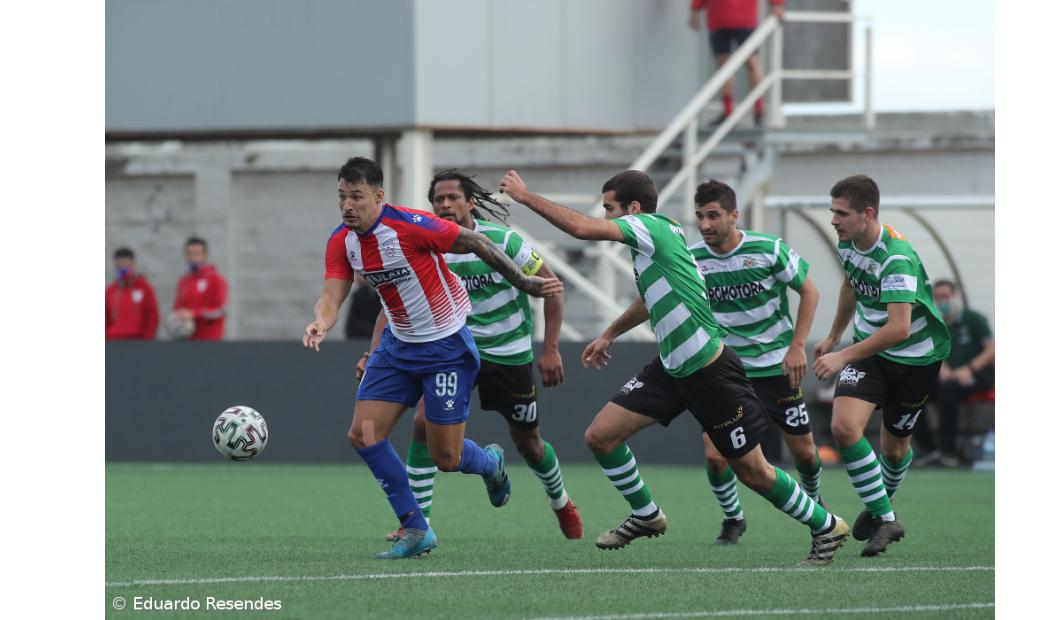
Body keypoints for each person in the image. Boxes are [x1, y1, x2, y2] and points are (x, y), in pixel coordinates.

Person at [500, 168, 848, 566]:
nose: (605, 217)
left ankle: (826, 525)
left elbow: (581, 228)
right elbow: (649, 300)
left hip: (710, 371)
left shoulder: (651, 227)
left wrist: (526, 197)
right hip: (670, 369)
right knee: (600, 437)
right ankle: (647, 514)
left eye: (610, 209)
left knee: (754, 472)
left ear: (633, 209)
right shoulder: (652, 246)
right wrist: (610, 333)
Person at [304, 157, 562, 560]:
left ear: (378, 196)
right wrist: (321, 321)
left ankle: (490, 461)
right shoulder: (343, 241)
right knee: (364, 434)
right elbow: (332, 294)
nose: (347, 205)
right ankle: (416, 527)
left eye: (356, 196)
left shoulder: (409, 224)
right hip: (397, 348)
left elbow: (476, 242)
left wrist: (524, 281)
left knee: (447, 458)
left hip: (445, 348)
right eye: (341, 196)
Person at [365, 169, 583, 542]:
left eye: (453, 198)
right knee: (422, 423)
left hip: (508, 355)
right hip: (451, 351)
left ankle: (561, 502)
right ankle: (419, 523)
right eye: (439, 199)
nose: (446, 205)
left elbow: (551, 287)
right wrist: (372, 353)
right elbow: (393, 303)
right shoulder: (423, 244)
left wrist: (550, 348)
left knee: (529, 443)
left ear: (470, 202)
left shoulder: (502, 240)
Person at [812, 174, 951, 558]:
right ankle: (886, 516)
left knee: (893, 450)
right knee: (844, 427)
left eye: (842, 213)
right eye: (832, 212)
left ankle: (879, 505)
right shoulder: (847, 242)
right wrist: (835, 335)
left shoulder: (896, 257)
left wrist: (842, 357)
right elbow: (850, 285)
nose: (834, 221)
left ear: (867, 213)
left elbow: (900, 328)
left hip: (916, 359)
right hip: (870, 353)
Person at [689, 179, 825, 545]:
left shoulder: (768, 249)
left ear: (734, 215)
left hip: (776, 368)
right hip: (726, 371)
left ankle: (815, 504)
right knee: (715, 456)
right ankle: (734, 519)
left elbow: (810, 291)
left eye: (713, 216)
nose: (705, 225)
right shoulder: (691, 258)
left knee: (806, 455)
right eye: (700, 216)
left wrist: (797, 346)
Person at [913, 280, 995, 466]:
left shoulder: (974, 319)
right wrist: (943, 369)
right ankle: (927, 449)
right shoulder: (934, 323)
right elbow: (931, 350)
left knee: (948, 390)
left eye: (946, 296)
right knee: (914, 389)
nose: (943, 301)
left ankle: (948, 452)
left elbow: (991, 349)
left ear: (955, 297)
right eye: (938, 297)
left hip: (978, 377)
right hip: (948, 378)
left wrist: (969, 369)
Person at [689, 0, 785, 127]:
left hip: (745, 20)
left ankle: (759, 110)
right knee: (723, 69)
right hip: (718, 20)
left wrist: (776, 5)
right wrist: (695, 10)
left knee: (752, 63)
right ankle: (728, 111)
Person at [170, 237, 228, 340]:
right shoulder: (184, 281)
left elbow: (220, 311)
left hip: (209, 342)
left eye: (196, 254)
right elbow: (177, 308)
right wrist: (177, 317)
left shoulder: (216, 279)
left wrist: (194, 314)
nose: (192, 258)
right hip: (186, 342)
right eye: (189, 254)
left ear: (204, 255)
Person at [105, 247, 160, 340]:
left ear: (133, 266)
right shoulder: (110, 291)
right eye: (120, 267)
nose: (123, 270)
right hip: (113, 342)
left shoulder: (144, 288)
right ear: (115, 267)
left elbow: (152, 315)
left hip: (137, 341)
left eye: (127, 266)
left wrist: (148, 339)